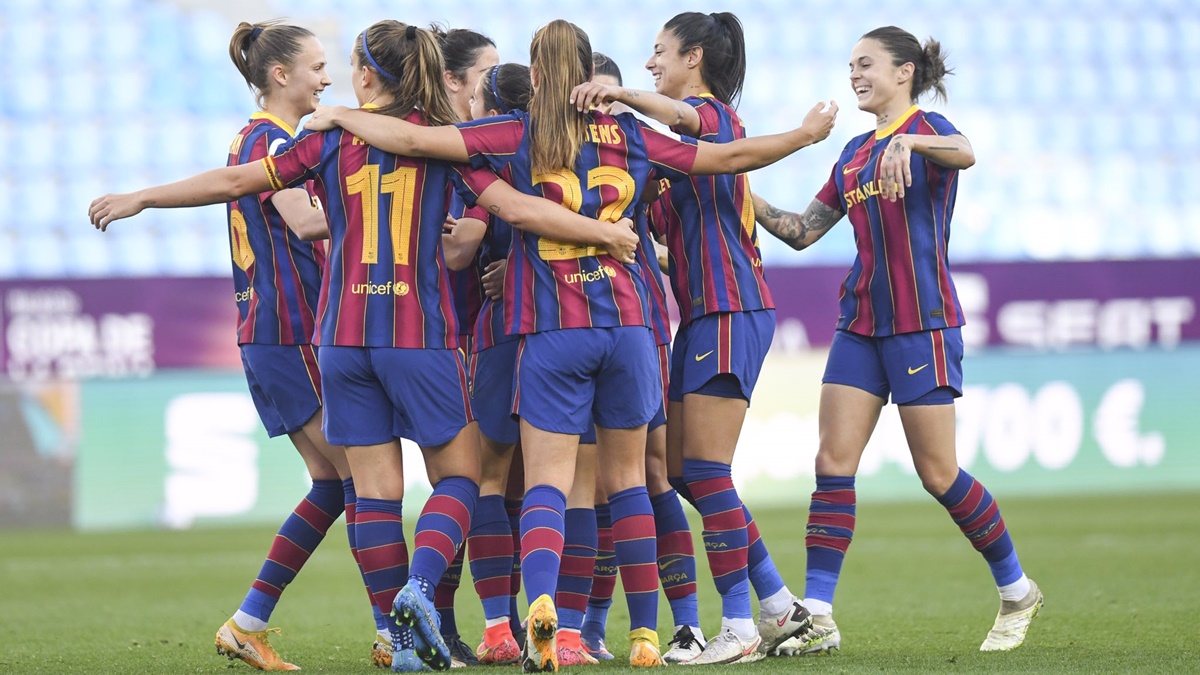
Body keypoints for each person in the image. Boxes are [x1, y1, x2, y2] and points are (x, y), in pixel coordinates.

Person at [88, 19, 641, 674]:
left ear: (367, 73)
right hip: (418, 337)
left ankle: (395, 638)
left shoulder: (327, 139)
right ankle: (418, 591)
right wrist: (599, 234)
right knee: (463, 476)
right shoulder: (444, 145)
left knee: (373, 493)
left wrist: (142, 196)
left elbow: (237, 183)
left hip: (340, 340)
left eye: (347, 62)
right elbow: (517, 211)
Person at [303, 19, 836, 672]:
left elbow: (416, 139)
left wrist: (338, 117)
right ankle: (646, 634)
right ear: (587, 71)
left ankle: (534, 610)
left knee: (543, 487)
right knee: (634, 482)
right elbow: (723, 158)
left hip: (550, 328)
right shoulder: (628, 133)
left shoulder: (514, 133)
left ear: (532, 70)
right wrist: (805, 137)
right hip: (631, 323)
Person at [749, 25, 1042, 655]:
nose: (855, 75)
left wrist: (911, 138)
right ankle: (819, 615)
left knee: (937, 473)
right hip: (861, 322)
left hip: (922, 321)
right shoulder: (854, 151)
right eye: (850, 65)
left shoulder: (931, 130)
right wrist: (739, 191)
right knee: (832, 464)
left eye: (866, 64)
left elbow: (966, 151)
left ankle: (1017, 590)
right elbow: (802, 230)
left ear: (904, 71)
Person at [570, 12, 816, 664]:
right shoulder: (671, 148)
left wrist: (619, 93)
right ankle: (777, 604)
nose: (651, 64)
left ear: (695, 57)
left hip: (730, 307)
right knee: (682, 469)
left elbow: (685, 125)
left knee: (701, 470)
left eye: (659, 52)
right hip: (704, 312)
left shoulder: (714, 115)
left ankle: (741, 623)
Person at [175, 20, 376, 672]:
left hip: (269, 332)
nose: (327, 78)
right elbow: (307, 220)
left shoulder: (257, 139)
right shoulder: (268, 140)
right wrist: (384, 204)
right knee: (365, 480)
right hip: (289, 330)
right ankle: (396, 631)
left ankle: (248, 621)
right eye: (318, 67)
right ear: (282, 75)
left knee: (331, 484)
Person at [575, 51, 700, 666]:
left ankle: (686, 626)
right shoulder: (556, 149)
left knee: (649, 476)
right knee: (596, 486)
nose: (593, 108)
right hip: (578, 322)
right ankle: (593, 626)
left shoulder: (636, 144)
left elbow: (713, 155)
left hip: (636, 320)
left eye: (602, 96)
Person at [428, 25, 499, 669]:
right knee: (467, 485)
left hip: (479, 334)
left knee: (480, 487)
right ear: (453, 80)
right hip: (454, 339)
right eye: (486, 72)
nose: (495, 85)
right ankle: (445, 622)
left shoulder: (477, 149)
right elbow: (454, 251)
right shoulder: (448, 154)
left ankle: (450, 624)